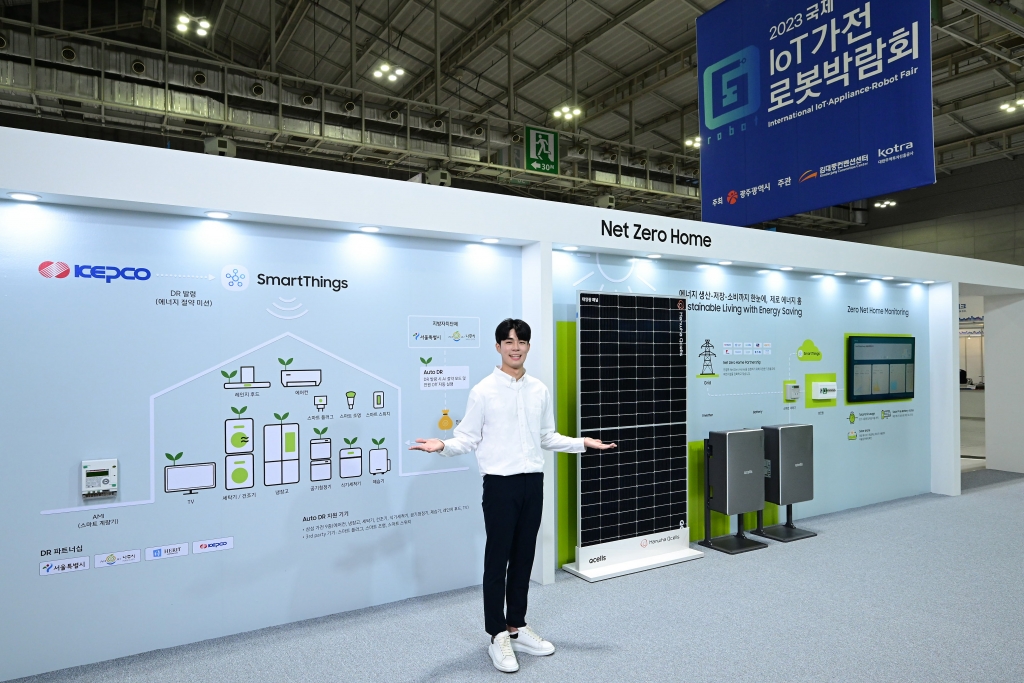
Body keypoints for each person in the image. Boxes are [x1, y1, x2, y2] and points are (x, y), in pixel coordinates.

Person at [410, 318, 616, 673]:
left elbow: (547, 437)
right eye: (508, 341)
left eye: (521, 341)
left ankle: (516, 626)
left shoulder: (539, 390)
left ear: (529, 346)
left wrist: (582, 442)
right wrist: (442, 445)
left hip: (532, 483)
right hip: (500, 485)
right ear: (498, 347)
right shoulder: (483, 391)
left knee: (524, 558)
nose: (515, 347)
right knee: (498, 561)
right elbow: (468, 438)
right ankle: (496, 635)